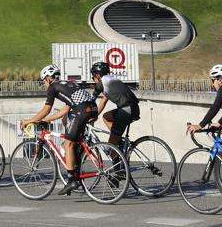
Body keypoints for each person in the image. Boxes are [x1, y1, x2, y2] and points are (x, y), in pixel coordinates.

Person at [18, 64, 98, 196]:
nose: (44, 84)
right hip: (92, 108)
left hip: (82, 110)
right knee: (74, 143)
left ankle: (72, 180)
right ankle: (77, 172)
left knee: (68, 143)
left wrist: (29, 121)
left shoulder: (52, 87)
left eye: (43, 81)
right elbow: (66, 109)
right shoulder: (68, 84)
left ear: (48, 79)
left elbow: (46, 109)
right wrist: (49, 119)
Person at [91, 61, 139, 147]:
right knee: (106, 117)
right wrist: (94, 116)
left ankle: (116, 155)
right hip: (134, 108)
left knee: (112, 145)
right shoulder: (112, 80)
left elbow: (90, 101)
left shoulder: (101, 83)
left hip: (126, 110)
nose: (93, 79)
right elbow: (103, 101)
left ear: (97, 75)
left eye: (93, 77)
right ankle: (119, 140)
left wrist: (88, 116)